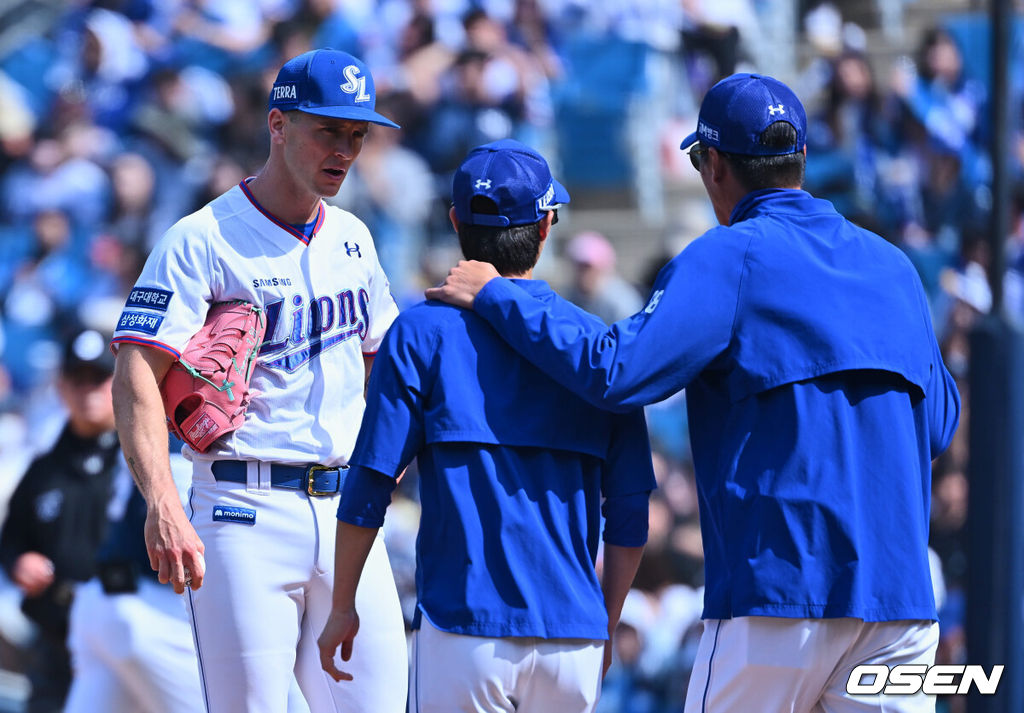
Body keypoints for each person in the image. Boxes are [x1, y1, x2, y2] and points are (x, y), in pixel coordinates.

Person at [426, 74, 961, 712]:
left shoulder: (730, 256)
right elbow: (938, 426)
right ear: (801, 161)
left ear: (713, 167)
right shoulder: (894, 268)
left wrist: (498, 294)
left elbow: (616, 370)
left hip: (777, 597)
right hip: (901, 605)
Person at [109, 49, 408, 713]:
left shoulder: (353, 238)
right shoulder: (202, 239)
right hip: (243, 509)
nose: (345, 148)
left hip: (346, 511)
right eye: (327, 129)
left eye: (356, 134)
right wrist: (162, 500)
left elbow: (381, 357)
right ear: (277, 124)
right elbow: (135, 375)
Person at [318, 139, 657, 712]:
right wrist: (606, 617)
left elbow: (371, 480)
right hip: (571, 634)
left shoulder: (421, 332)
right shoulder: (599, 344)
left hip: (463, 627)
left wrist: (342, 604)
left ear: (454, 221)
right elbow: (629, 516)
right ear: (547, 226)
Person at [0, 326, 123, 713]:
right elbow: (12, 538)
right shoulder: (43, 467)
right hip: (55, 639)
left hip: (124, 641)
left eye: (98, 379)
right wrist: (20, 561)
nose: (87, 391)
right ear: (61, 387)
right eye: (77, 379)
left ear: (118, 383)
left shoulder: (140, 464)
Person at [64, 444, 203, 713]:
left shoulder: (148, 433)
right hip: (155, 611)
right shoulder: (186, 434)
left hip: (101, 603)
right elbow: (188, 539)